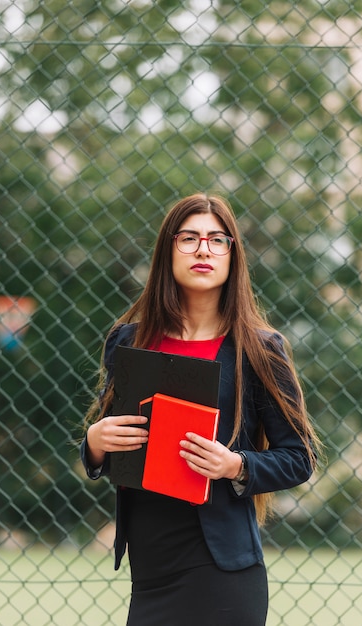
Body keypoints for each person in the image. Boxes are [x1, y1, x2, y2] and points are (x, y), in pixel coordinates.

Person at [81, 193, 320, 626]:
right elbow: (109, 438)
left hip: (223, 568)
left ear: (233, 255)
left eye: (217, 240)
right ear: (167, 251)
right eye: (188, 238)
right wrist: (95, 443)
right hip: (150, 569)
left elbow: (300, 459)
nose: (203, 249)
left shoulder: (261, 349)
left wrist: (235, 464)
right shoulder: (128, 340)